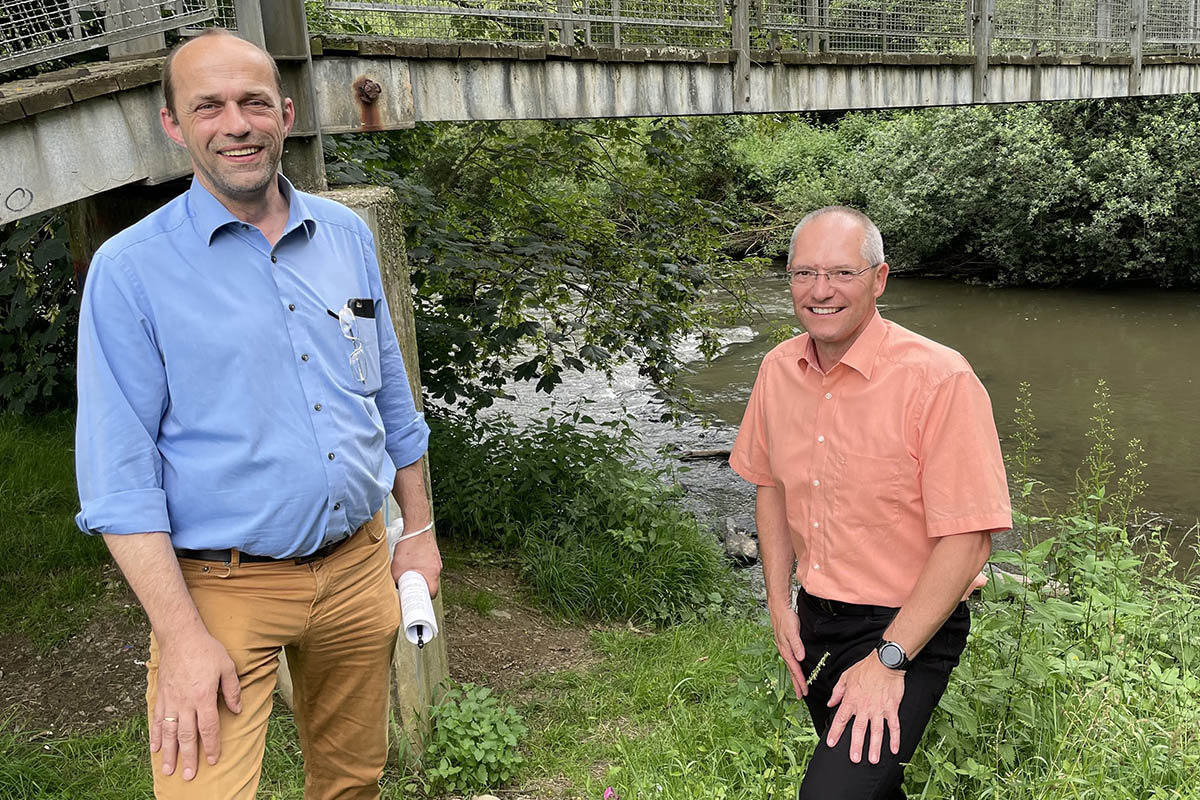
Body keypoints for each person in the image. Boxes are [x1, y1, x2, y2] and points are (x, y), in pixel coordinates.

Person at [73, 29, 440, 800]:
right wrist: (179, 637)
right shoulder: (130, 271)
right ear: (174, 125)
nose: (235, 124)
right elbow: (119, 477)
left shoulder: (346, 235)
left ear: (285, 110)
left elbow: (393, 404)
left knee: (352, 782)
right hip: (220, 592)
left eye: (251, 102)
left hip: (359, 567)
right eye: (208, 106)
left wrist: (421, 535)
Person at [729, 206, 1011, 799]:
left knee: (833, 793)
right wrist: (779, 602)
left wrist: (889, 660)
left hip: (908, 624)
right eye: (804, 273)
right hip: (815, 620)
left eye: (841, 273)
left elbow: (968, 538)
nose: (820, 291)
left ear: (879, 279)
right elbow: (771, 487)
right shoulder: (777, 369)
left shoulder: (939, 380)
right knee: (871, 787)